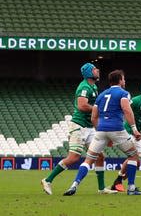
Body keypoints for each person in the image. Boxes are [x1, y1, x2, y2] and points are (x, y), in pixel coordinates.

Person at [63, 70, 141, 196]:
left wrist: (99, 130)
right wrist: (134, 129)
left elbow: (93, 117)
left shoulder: (101, 95)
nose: (125, 81)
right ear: (120, 80)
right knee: (133, 157)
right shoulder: (124, 93)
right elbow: (127, 110)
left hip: (101, 130)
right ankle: (131, 188)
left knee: (89, 160)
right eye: (123, 79)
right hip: (117, 129)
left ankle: (74, 185)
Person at [41, 63, 115, 195]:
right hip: (79, 126)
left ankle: (101, 188)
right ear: (88, 73)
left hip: (88, 127)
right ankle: (47, 180)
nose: (97, 70)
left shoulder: (93, 86)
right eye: (94, 69)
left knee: (99, 156)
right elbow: (82, 105)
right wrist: (98, 109)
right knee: (74, 157)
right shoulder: (85, 86)